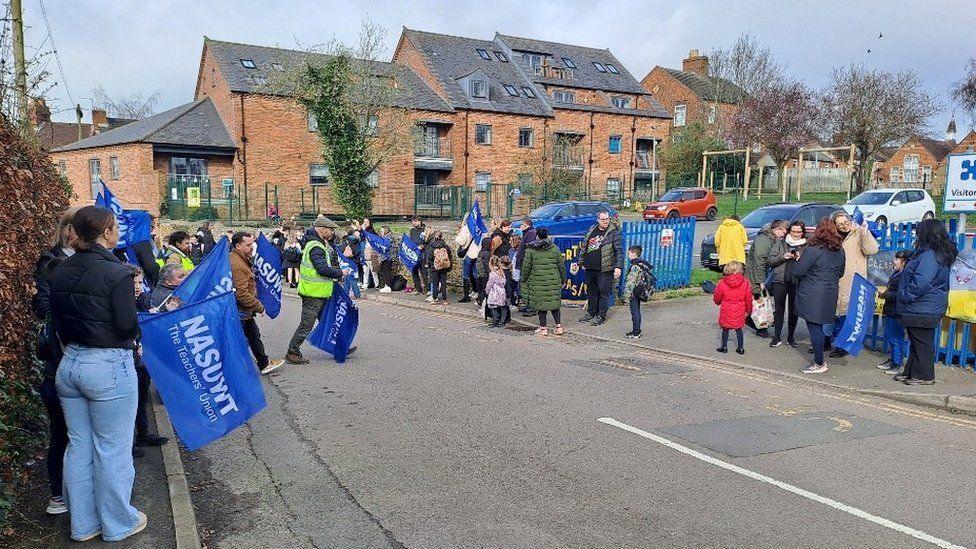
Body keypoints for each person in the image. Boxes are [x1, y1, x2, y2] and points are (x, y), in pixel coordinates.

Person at [49, 206, 147, 542]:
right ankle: (119, 523)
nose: (117, 231)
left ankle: (83, 525)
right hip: (107, 366)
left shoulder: (59, 270)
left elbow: (57, 322)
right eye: (115, 227)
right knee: (112, 448)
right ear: (106, 232)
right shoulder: (117, 273)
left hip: (70, 363)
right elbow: (126, 324)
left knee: (78, 446)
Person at [32, 207, 77, 516]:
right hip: (59, 361)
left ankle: (83, 494)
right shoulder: (50, 261)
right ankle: (57, 493)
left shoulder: (95, 260)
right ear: (69, 231)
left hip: (84, 358)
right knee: (61, 431)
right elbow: (42, 306)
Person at [895, 219, 956, 385]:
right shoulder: (932, 253)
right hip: (925, 306)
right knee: (917, 342)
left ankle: (925, 376)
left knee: (922, 343)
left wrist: (907, 295)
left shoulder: (929, 255)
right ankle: (912, 372)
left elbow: (921, 281)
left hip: (922, 306)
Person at [285, 216, 351, 364]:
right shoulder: (315, 246)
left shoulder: (318, 243)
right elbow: (322, 269)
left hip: (320, 291)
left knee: (328, 322)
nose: (333, 232)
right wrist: (341, 273)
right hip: (312, 293)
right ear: (321, 229)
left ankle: (340, 348)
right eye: (330, 229)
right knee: (306, 324)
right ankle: (292, 351)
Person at [793, 219, 846, 374]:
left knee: (815, 328)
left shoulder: (813, 249)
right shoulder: (840, 250)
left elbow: (798, 271)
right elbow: (841, 273)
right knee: (820, 327)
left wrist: (798, 261)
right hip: (830, 292)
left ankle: (819, 362)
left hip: (812, 293)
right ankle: (819, 359)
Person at [230, 232, 285, 375]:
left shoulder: (241, 259)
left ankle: (264, 364)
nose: (251, 248)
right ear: (238, 246)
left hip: (244, 311)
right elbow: (241, 293)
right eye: (248, 245)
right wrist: (259, 307)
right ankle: (235, 373)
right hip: (240, 311)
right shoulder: (237, 265)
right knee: (238, 343)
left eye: (252, 244)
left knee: (254, 336)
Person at [828, 211, 879, 359]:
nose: (844, 226)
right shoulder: (834, 236)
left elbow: (872, 249)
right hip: (837, 279)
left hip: (853, 280)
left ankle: (843, 346)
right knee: (836, 312)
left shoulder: (858, 232)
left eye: (846, 223)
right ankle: (835, 341)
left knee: (848, 313)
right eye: (840, 225)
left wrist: (865, 233)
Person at [129, 267, 168, 451]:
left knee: (142, 397)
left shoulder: (144, 300)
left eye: (139, 282)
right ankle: (130, 442)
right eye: (133, 283)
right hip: (129, 360)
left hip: (144, 360)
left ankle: (143, 433)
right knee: (130, 402)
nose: (137, 287)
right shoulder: (120, 303)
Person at [578, 211, 623, 326]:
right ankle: (591, 313)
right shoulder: (592, 229)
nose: (606, 221)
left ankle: (601, 316)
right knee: (592, 292)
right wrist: (581, 261)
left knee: (603, 292)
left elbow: (618, 251)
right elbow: (585, 246)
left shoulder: (613, 232)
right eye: (603, 219)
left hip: (605, 268)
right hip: (590, 267)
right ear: (597, 220)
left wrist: (618, 266)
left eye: (607, 219)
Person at [766, 220, 806, 347]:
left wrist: (800, 260)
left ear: (803, 233)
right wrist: (783, 257)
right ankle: (777, 337)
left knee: (793, 311)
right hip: (780, 280)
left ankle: (791, 338)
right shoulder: (781, 242)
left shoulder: (807, 245)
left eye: (798, 232)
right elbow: (770, 261)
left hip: (796, 281)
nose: (795, 234)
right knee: (779, 309)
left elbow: (810, 264)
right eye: (793, 231)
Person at [521, 227, 566, 337]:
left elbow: (526, 267)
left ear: (537, 236)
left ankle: (543, 329)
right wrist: (563, 279)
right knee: (554, 304)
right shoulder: (555, 248)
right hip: (553, 281)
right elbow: (561, 266)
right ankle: (558, 327)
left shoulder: (531, 250)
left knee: (541, 305)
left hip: (538, 281)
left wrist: (524, 279)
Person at [746, 219, 787, 338]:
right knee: (761, 301)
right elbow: (760, 262)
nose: (784, 235)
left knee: (762, 301)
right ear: (778, 229)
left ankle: (756, 323)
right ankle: (760, 327)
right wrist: (760, 281)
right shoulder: (764, 240)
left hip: (761, 275)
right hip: (757, 275)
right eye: (783, 232)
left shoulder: (770, 239)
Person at [878, 250, 911, 375]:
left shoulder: (905, 276)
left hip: (897, 311)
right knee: (891, 337)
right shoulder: (897, 273)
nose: (894, 261)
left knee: (896, 338)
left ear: (904, 263)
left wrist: (886, 294)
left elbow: (900, 295)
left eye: (897, 259)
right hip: (891, 310)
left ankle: (897, 363)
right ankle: (893, 359)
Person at [713, 261, 752, 355]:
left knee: (725, 329)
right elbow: (748, 298)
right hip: (740, 309)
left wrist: (718, 302)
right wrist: (749, 310)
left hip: (726, 308)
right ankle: (741, 348)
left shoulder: (722, 283)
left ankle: (724, 347)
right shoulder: (745, 282)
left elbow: (717, 297)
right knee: (739, 329)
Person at [623, 245, 652, 340]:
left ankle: (636, 332)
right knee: (637, 311)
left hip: (634, 293)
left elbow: (630, 282)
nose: (628, 255)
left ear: (634, 254)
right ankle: (637, 330)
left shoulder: (635, 266)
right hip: (640, 291)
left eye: (629, 253)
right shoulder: (642, 264)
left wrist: (626, 296)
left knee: (634, 312)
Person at [516, 217, 538, 316]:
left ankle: (532, 307)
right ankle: (527, 305)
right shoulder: (527, 233)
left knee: (528, 286)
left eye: (521, 224)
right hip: (523, 263)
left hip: (526, 264)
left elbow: (529, 248)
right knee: (524, 286)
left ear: (526, 225)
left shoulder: (531, 233)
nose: (520, 227)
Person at [454, 223, 481, 303]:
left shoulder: (466, 228)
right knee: (475, 274)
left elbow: (461, 241)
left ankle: (466, 296)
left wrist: (458, 235)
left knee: (465, 275)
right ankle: (478, 294)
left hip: (468, 254)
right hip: (476, 252)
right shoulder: (477, 226)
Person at [427, 230, 453, 305]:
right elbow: (449, 256)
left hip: (435, 267)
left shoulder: (432, 246)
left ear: (435, 237)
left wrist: (429, 265)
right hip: (444, 267)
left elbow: (430, 257)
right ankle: (444, 300)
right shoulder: (445, 246)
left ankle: (434, 299)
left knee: (435, 283)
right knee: (443, 283)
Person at [485, 256, 508, 327]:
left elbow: (490, 284)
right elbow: (504, 282)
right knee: (502, 306)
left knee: (493, 306)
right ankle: (503, 321)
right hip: (502, 291)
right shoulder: (501, 272)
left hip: (494, 292)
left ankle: (496, 321)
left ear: (491, 264)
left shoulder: (492, 273)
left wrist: (486, 290)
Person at [341, 228, 363, 300]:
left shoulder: (347, 241)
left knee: (350, 278)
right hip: (355, 260)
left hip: (347, 261)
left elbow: (341, 249)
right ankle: (345, 293)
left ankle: (357, 294)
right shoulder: (358, 241)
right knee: (348, 278)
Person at [409, 217, 428, 294]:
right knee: (414, 272)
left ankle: (428, 289)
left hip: (422, 254)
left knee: (424, 272)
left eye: (416, 221)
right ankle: (418, 289)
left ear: (420, 221)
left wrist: (422, 246)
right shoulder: (412, 230)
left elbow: (428, 241)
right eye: (413, 221)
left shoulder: (425, 229)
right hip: (414, 254)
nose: (414, 223)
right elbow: (410, 240)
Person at [377, 226, 398, 292]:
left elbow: (386, 247)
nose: (380, 232)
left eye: (381, 231)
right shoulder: (387, 237)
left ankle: (388, 286)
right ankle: (386, 285)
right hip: (386, 257)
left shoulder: (388, 238)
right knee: (385, 272)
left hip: (388, 258)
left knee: (386, 272)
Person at [475, 235, 493, 305]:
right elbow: (486, 265)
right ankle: (481, 301)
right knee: (485, 289)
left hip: (480, 274)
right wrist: (490, 273)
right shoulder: (487, 253)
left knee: (482, 289)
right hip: (485, 274)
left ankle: (479, 300)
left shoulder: (481, 251)